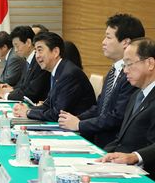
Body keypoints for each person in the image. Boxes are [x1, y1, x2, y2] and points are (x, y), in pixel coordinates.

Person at [59, 14, 143, 148]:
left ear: (125, 42)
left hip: (113, 145)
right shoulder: (113, 70)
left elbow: (117, 117)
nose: (103, 42)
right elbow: (99, 107)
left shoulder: (132, 75)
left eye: (108, 37)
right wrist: (76, 119)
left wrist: (79, 124)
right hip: (98, 139)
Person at [99, 38, 155, 179]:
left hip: (146, 175)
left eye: (129, 64)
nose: (125, 71)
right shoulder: (136, 94)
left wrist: (135, 157)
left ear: (150, 63)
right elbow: (122, 139)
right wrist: (102, 155)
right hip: (123, 168)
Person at [13, 32, 96, 121]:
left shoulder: (69, 74)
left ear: (55, 52)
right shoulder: (58, 70)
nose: (37, 56)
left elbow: (57, 113)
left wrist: (28, 113)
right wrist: (27, 110)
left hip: (78, 129)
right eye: (36, 51)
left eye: (40, 50)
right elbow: (48, 105)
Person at [0, 26, 50, 103]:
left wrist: (6, 95)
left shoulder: (39, 61)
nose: (15, 50)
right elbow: (24, 86)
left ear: (28, 42)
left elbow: (32, 93)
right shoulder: (28, 60)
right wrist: (12, 90)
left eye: (17, 46)